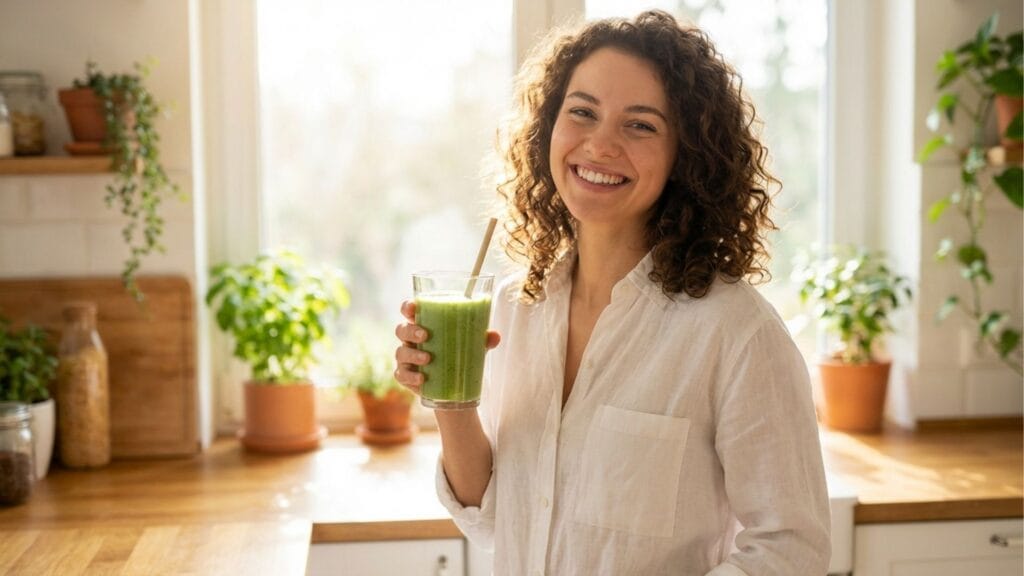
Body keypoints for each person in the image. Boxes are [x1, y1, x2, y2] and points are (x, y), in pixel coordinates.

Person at [395, 10, 830, 575]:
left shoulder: (736, 333)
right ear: (548, 128)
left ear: (686, 155)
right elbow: (496, 521)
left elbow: (792, 549)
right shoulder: (513, 307)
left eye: (640, 125)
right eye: (582, 112)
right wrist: (453, 402)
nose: (600, 145)